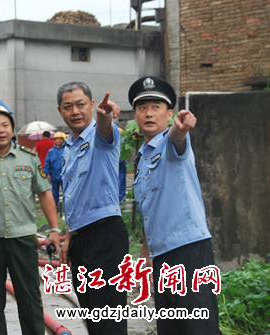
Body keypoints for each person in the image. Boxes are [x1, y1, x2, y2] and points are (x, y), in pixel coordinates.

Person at [129, 76, 222, 335]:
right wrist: (146, 257)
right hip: (161, 257)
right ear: (135, 115)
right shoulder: (142, 159)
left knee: (199, 328)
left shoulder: (172, 144)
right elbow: (150, 212)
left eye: (156, 107)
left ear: (169, 114)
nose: (148, 113)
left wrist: (181, 129)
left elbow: (177, 137)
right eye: (142, 107)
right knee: (171, 328)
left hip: (189, 251)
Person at [0, 105, 61, 335]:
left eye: (5, 125)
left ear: (12, 130)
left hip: (22, 239)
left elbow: (45, 193)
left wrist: (55, 229)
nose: (0, 130)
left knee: (29, 298)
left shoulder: (28, 158)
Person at [57, 81, 128, 334]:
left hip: (105, 235)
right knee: (91, 314)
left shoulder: (101, 136)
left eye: (80, 104)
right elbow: (74, 197)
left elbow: (106, 128)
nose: (75, 111)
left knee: (108, 317)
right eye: (68, 106)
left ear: (91, 105)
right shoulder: (68, 147)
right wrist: (68, 237)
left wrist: (105, 116)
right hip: (80, 239)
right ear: (60, 111)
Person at [44, 131, 65, 215]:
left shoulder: (66, 150)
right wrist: (47, 173)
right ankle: (55, 210)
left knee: (66, 194)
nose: (59, 141)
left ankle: (65, 210)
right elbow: (47, 162)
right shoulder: (51, 151)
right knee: (54, 194)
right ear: (54, 140)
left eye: (61, 139)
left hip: (64, 175)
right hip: (54, 175)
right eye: (57, 139)